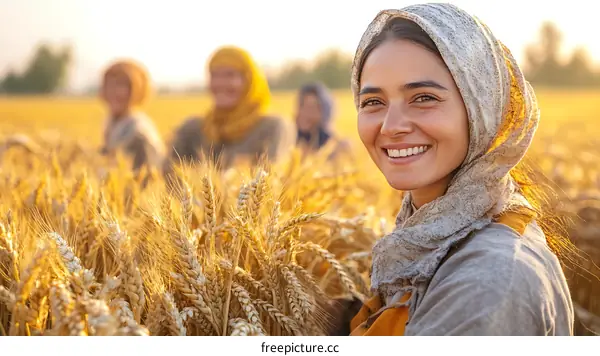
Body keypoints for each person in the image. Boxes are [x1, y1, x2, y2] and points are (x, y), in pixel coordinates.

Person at [343, 3, 575, 336]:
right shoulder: (431, 237)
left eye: (423, 98)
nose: (391, 127)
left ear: (481, 109)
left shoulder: (488, 285)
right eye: (373, 102)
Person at [165, 46, 295, 174]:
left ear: (249, 81)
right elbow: (166, 176)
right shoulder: (192, 129)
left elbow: (270, 180)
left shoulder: (273, 128)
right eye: (214, 75)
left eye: (230, 75)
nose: (220, 83)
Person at [99, 59, 166, 172]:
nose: (114, 92)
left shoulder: (138, 131)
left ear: (135, 90)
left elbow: (142, 176)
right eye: (109, 84)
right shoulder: (113, 122)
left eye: (121, 86)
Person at [295, 82, 350, 159]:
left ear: (325, 113)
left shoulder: (336, 146)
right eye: (301, 105)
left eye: (311, 108)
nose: (304, 113)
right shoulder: (287, 139)